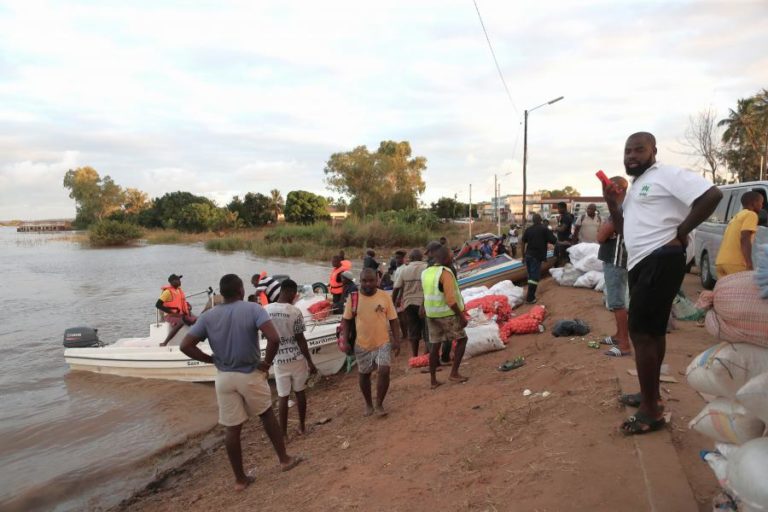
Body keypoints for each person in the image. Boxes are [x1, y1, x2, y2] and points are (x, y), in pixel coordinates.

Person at [604, 131, 721, 435]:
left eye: (638, 150)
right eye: (627, 151)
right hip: (642, 261)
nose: (631, 156)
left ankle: (651, 411)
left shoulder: (666, 175)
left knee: (641, 332)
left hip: (661, 257)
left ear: (653, 151)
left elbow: (712, 195)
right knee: (652, 332)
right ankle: (649, 396)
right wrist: (613, 204)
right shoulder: (637, 186)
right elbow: (624, 230)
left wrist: (682, 230)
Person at [180, 274, 301, 491]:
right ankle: (284, 460)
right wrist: (266, 363)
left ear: (221, 293)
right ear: (241, 290)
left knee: (232, 428)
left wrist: (211, 359)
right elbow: (274, 338)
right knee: (266, 415)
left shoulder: (208, 316)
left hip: (224, 377)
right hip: (250, 374)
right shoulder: (253, 309)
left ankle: (240, 479)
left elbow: (185, 345)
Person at [264, 279, 318, 441]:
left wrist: (266, 364)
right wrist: (310, 362)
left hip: (278, 360)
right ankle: (301, 426)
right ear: (292, 293)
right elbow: (300, 339)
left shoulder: (266, 310)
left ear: (281, 291)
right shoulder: (294, 312)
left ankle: (284, 433)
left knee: (283, 396)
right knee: (300, 392)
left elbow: (266, 337)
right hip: (297, 358)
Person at [343, 268, 401, 416]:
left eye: (371, 280)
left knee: (384, 370)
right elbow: (346, 320)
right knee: (364, 375)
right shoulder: (353, 297)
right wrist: (345, 340)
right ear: (360, 281)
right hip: (362, 344)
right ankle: (368, 404)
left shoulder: (384, 296)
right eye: (364, 281)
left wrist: (397, 339)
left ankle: (379, 404)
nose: (367, 284)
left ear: (377, 281)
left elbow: (393, 320)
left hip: (383, 342)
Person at [422, 245, 469, 389]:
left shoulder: (426, 272)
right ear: (444, 258)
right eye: (450, 255)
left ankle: (433, 380)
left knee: (435, 346)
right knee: (462, 339)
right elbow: (450, 300)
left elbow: (426, 293)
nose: (452, 257)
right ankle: (454, 373)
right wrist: (461, 316)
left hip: (431, 314)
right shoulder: (445, 273)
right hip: (446, 314)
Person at [596, 177, 631, 357]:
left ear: (617, 189)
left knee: (617, 302)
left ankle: (624, 343)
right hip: (617, 259)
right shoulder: (622, 208)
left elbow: (601, 236)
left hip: (616, 259)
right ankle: (619, 335)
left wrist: (603, 229)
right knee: (618, 301)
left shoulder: (620, 210)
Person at [715, 191, 764, 276]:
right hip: (736, 263)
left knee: (725, 289)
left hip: (721, 262)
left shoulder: (737, 216)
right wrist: (749, 263)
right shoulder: (751, 215)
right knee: (742, 288)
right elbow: (745, 238)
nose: (762, 206)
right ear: (754, 203)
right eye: (761, 202)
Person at [392, 249, 429, 357]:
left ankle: (415, 355)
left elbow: (396, 288)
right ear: (421, 257)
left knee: (413, 330)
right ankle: (427, 354)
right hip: (423, 303)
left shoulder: (404, 270)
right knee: (426, 329)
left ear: (411, 258)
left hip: (408, 304)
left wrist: (393, 303)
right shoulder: (426, 268)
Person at [521, 214, 557, 304]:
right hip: (536, 256)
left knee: (530, 276)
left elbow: (522, 242)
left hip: (528, 255)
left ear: (533, 220)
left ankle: (529, 295)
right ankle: (530, 298)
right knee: (534, 277)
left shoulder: (528, 230)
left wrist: (523, 256)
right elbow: (554, 240)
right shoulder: (544, 229)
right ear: (540, 220)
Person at [156, 274, 197, 346]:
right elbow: (158, 304)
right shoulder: (167, 292)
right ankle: (165, 342)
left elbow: (180, 302)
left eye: (179, 279)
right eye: (177, 280)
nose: (179, 281)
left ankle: (195, 341)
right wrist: (170, 312)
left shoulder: (178, 290)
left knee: (199, 320)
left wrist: (187, 305)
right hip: (170, 316)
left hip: (180, 314)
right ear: (172, 282)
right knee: (181, 322)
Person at [554, 202, 574, 266]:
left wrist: (556, 228)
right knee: (560, 257)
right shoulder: (563, 216)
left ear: (564, 208)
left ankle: (563, 269)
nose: (558, 210)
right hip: (562, 240)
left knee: (564, 259)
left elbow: (562, 229)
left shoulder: (566, 217)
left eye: (559, 208)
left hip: (565, 241)